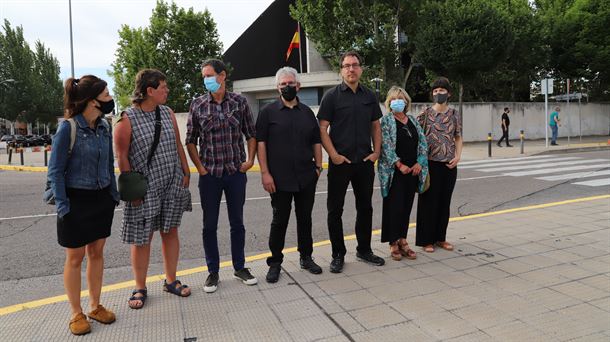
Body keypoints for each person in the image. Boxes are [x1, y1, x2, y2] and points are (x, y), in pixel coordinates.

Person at [114, 69, 192, 309]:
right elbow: (122, 157)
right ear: (149, 91)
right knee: (142, 238)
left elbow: (177, 143)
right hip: (145, 188)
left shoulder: (167, 113)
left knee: (170, 231)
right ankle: (140, 287)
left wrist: (185, 169)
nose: (167, 90)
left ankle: (171, 280)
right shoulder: (126, 119)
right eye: (163, 87)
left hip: (171, 181)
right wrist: (133, 192)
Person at [47, 75, 119, 335]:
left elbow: (110, 163)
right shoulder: (69, 128)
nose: (110, 99)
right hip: (75, 200)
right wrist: (64, 208)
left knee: (97, 253)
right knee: (75, 258)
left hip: (101, 199)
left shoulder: (104, 127)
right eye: (107, 95)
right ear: (92, 100)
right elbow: (55, 171)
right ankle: (76, 313)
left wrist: (113, 194)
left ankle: (95, 306)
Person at [186, 59, 258, 293]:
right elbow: (190, 140)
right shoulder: (197, 105)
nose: (206, 80)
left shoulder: (240, 102)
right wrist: (201, 168)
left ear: (222, 76)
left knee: (237, 222)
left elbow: (251, 133)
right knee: (210, 225)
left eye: (209, 75)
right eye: (203, 76)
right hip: (210, 176)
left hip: (235, 173)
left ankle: (240, 267)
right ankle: (213, 272)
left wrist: (249, 161)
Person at [318, 51, 385, 273]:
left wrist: (376, 153)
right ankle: (338, 254)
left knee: (365, 208)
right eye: (346, 66)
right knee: (334, 210)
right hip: (340, 163)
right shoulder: (331, 96)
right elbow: (322, 128)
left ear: (361, 69)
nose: (351, 69)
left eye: (355, 65)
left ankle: (364, 250)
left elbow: (376, 126)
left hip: (364, 162)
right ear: (341, 70)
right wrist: (333, 155)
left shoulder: (369, 96)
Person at [256, 67, 324, 283]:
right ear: (277, 87)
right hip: (279, 179)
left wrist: (318, 167)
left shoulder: (306, 113)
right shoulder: (267, 113)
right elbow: (261, 144)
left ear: (298, 86)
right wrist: (265, 173)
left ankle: (306, 257)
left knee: (305, 219)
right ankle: (275, 262)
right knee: (280, 221)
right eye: (283, 84)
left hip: (306, 176)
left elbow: (316, 141)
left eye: (290, 83)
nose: (287, 87)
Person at [378, 86, 428, 261]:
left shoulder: (413, 120)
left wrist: (419, 163)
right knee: (394, 207)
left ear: (406, 102)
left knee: (406, 207)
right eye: (394, 99)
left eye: (401, 98)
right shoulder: (386, 121)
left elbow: (422, 142)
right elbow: (385, 146)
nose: (397, 101)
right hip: (395, 172)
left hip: (413, 171)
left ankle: (403, 239)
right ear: (389, 102)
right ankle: (393, 242)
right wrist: (399, 164)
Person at [416, 77, 462, 253]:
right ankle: (426, 240)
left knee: (444, 202)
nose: (438, 94)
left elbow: (458, 136)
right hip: (429, 164)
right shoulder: (425, 113)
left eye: (442, 91)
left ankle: (440, 238)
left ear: (448, 93)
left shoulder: (454, 114)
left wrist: (458, 156)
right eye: (435, 91)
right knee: (428, 202)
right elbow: (417, 137)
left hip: (449, 165)